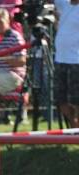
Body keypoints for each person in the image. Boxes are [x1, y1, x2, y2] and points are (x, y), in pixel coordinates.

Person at [54, 0, 79, 128]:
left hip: (76, 61)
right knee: (62, 101)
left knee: (77, 102)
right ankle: (75, 130)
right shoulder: (65, 4)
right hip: (60, 60)